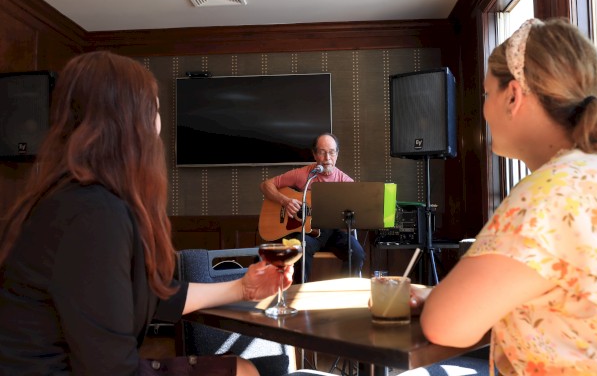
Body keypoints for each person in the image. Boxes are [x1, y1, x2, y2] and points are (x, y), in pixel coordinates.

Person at [0, 51, 293, 376]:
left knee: (245, 366)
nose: (158, 124)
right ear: (132, 122)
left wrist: (243, 287)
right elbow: (112, 369)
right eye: (154, 108)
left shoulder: (70, 198)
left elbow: (154, 297)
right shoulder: (94, 215)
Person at [414, 18, 597, 375]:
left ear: (513, 96)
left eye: (486, 94)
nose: (484, 108)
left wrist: (436, 300)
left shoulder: (549, 193)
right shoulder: (585, 174)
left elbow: (445, 324)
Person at [260, 132, 365, 283]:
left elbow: (357, 210)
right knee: (300, 248)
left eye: (331, 152)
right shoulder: (303, 174)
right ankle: (298, 296)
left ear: (337, 154)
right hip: (307, 234)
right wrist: (285, 201)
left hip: (332, 233)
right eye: (322, 152)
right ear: (315, 154)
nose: (327, 158)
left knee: (357, 253)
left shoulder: (346, 182)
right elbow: (265, 185)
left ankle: (344, 294)